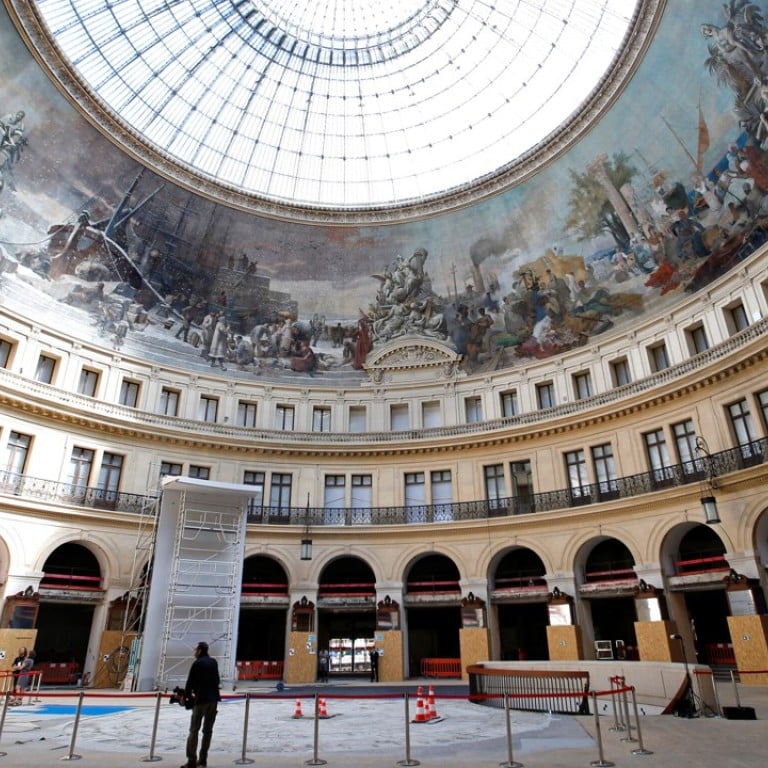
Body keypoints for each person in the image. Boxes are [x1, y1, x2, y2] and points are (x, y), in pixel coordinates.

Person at [182, 641, 220, 768]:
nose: (194, 652)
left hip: (201, 700)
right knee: (208, 731)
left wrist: (186, 697)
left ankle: (192, 760)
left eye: (195, 649)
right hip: (213, 700)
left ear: (199, 650)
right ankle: (203, 759)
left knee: (194, 731)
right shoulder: (213, 662)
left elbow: (190, 682)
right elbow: (217, 680)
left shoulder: (197, 663)